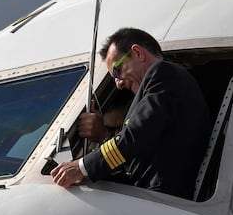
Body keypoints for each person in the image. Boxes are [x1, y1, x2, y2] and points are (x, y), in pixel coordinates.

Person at [51, 27, 212, 200]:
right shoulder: (162, 87)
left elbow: (136, 135)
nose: (118, 84)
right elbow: (135, 152)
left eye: (117, 72)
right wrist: (104, 137)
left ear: (138, 53)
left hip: (161, 197)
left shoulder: (164, 73)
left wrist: (81, 167)